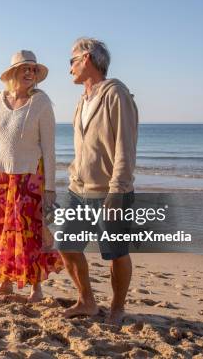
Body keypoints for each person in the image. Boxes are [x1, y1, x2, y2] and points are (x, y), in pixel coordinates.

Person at [58, 38, 138, 324]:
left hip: (109, 191)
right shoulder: (82, 100)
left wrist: (117, 191)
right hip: (78, 189)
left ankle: (117, 308)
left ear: (87, 58)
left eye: (72, 61)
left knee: (116, 252)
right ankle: (87, 301)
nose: (69, 69)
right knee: (67, 244)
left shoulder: (116, 93)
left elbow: (125, 147)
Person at [0, 50, 63, 302]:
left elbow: (49, 148)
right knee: (2, 230)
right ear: (13, 73)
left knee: (30, 233)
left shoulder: (41, 102)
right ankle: (4, 282)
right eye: (25, 68)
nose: (29, 73)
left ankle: (36, 288)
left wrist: (50, 187)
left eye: (33, 69)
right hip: (0, 177)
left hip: (29, 178)